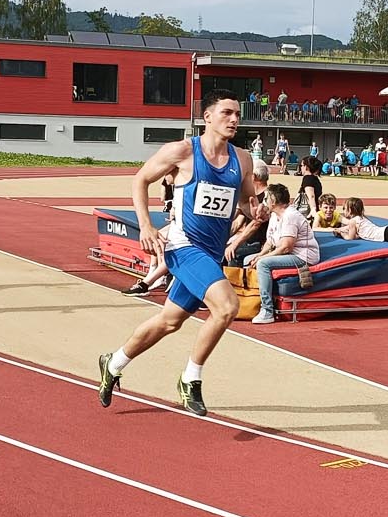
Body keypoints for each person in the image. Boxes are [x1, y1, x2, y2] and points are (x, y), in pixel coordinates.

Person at [97, 90, 261, 417]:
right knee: (227, 307)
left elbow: (244, 199)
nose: (234, 119)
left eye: (237, 114)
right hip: (182, 246)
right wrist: (145, 226)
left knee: (169, 322)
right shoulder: (183, 152)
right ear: (208, 117)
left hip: (211, 254)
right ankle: (190, 379)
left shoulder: (242, 159)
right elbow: (140, 180)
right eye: (227, 113)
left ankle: (112, 362)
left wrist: (254, 208)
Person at [243, 183, 319, 324]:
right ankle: (251, 301)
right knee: (248, 259)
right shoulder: (274, 216)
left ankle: (267, 310)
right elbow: (270, 242)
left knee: (263, 264)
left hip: (302, 255)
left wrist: (262, 258)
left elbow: (286, 247)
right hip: (287, 253)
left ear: (273, 200)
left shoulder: (290, 216)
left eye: (266, 198)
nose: (264, 201)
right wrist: (259, 254)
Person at [224, 159, 271, 265]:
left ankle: (234, 281)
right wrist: (220, 237)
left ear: (253, 176)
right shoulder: (248, 196)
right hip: (249, 240)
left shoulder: (268, 196)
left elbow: (255, 224)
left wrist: (234, 244)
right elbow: (237, 222)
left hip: (262, 242)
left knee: (232, 254)